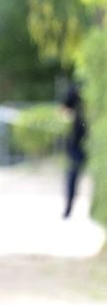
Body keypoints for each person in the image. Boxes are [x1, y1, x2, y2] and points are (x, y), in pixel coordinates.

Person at [62, 82, 87, 218]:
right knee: (73, 173)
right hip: (77, 141)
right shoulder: (76, 87)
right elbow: (64, 109)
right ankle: (69, 207)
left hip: (85, 139)